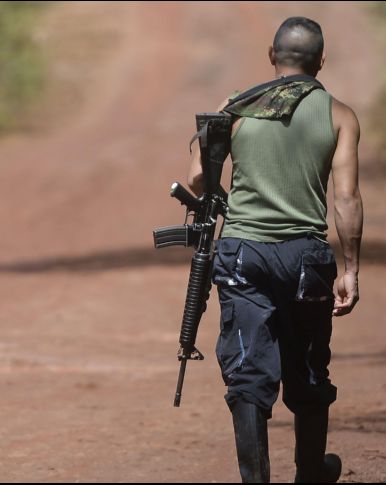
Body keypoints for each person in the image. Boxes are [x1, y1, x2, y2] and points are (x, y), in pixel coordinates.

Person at [186, 17, 363, 483]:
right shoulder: (340, 115)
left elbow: (197, 180)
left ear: (272, 56)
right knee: (306, 368)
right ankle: (310, 472)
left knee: (248, 372)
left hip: (243, 253)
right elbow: (345, 199)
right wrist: (351, 269)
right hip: (306, 258)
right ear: (321, 62)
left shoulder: (236, 106)